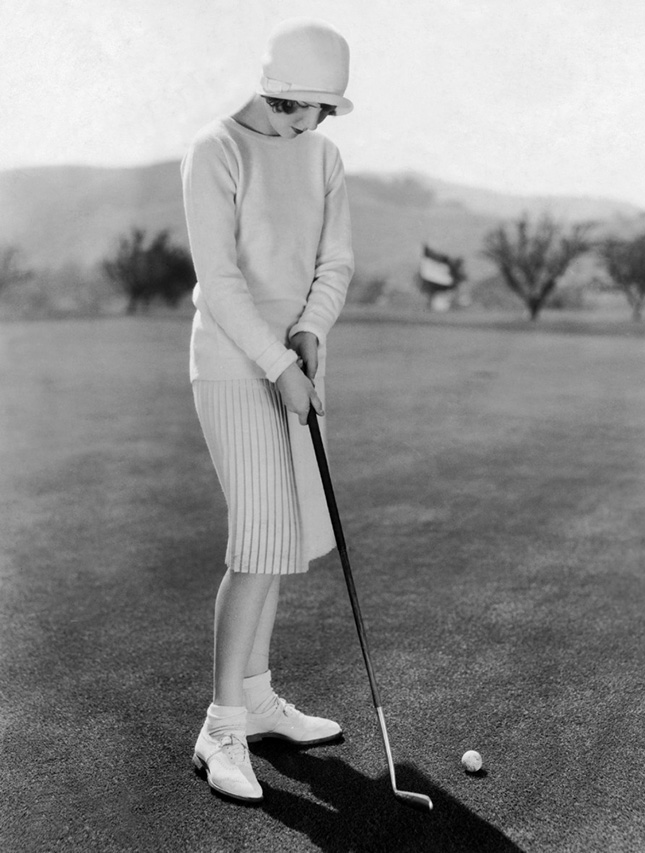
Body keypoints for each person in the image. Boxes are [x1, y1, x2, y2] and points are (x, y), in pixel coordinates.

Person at [180, 18, 354, 803]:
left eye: (317, 111)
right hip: (230, 362)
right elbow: (219, 282)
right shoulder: (214, 149)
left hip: (292, 358)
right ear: (270, 88)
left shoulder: (323, 156)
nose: (305, 124)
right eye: (294, 107)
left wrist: (312, 329)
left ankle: (255, 695)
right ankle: (220, 727)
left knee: (282, 541)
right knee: (257, 541)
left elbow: (335, 259)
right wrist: (280, 361)